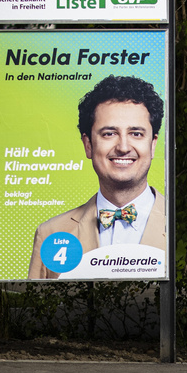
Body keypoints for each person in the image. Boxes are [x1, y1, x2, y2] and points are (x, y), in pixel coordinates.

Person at [28, 75, 166, 279]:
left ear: (153, 144)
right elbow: (36, 308)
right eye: (109, 134)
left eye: (136, 133)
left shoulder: (183, 228)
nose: (123, 147)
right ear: (88, 145)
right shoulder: (52, 234)